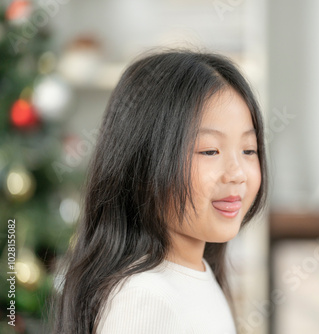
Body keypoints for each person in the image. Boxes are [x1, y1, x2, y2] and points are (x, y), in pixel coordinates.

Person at [52, 48, 268, 334]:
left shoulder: (198, 274)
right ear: (143, 162)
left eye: (248, 149)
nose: (237, 173)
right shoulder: (145, 299)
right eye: (209, 150)